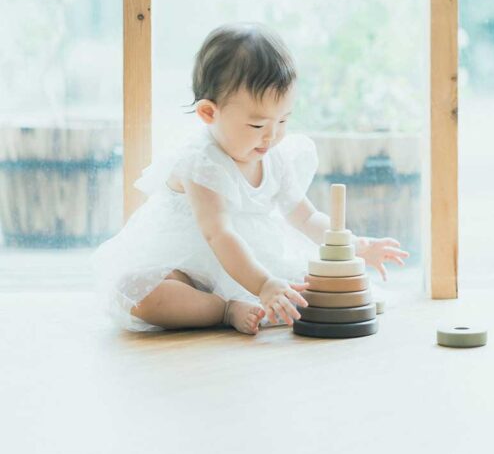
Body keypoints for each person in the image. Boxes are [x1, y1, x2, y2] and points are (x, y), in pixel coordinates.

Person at [91, 22, 409, 335]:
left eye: (283, 119)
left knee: (312, 284)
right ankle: (224, 309)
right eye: (257, 125)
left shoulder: (274, 154)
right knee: (135, 293)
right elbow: (219, 234)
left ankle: (261, 299)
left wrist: (356, 246)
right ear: (208, 113)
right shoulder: (202, 162)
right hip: (190, 263)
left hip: (254, 257)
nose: (271, 136)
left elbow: (306, 216)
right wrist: (264, 284)